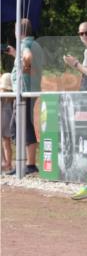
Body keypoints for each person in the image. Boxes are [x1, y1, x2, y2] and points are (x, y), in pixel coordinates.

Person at [3, 18, 42, 175]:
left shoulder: (25, 44)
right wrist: (15, 55)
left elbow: (27, 56)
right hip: (28, 89)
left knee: (21, 127)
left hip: (24, 90)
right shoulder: (35, 43)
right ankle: (25, 164)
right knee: (19, 126)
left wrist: (26, 65)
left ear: (19, 31)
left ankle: (29, 164)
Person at [0, 73, 12, 173]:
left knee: (3, 142)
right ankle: (8, 164)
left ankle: (4, 163)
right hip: (8, 120)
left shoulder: (2, 94)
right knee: (7, 143)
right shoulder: (12, 95)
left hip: (2, 119)